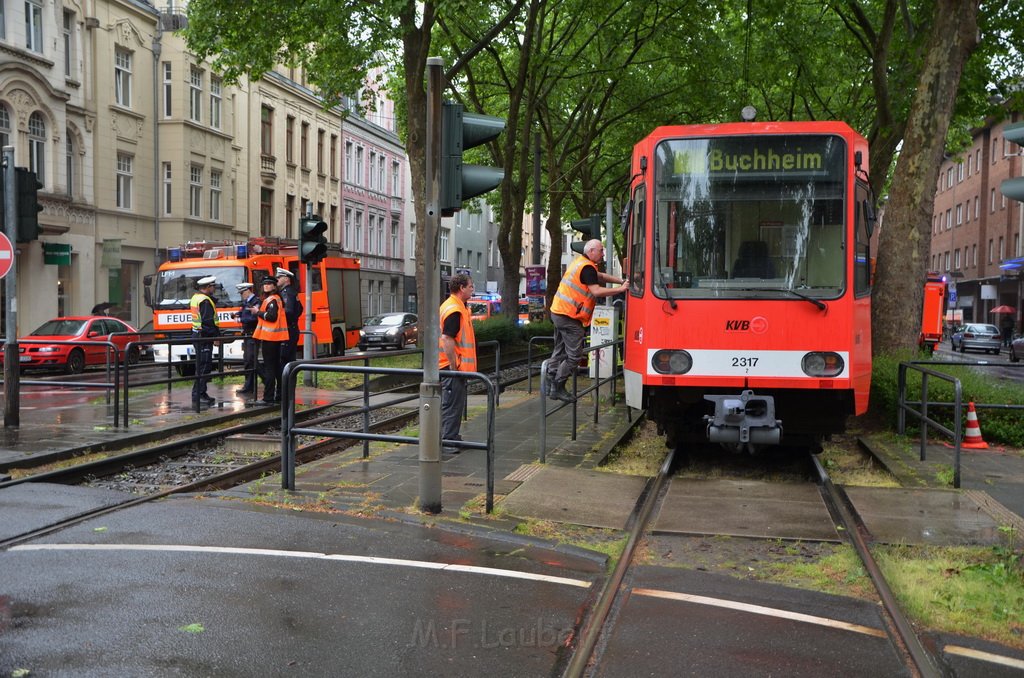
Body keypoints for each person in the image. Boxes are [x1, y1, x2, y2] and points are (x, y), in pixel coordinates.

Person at [546, 239, 629, 402]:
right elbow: (597, 291)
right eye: (601, 250)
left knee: (560, 350)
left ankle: (549, 381)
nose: (603, 253)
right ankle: (557, 386)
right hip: (569, 317)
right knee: (575, 355)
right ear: (591, 251)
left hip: (558, 312)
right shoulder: (587, 267)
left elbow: (601, 276)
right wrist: (621, 289)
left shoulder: (581, 263)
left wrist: (620, 280)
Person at [439, 273, 477, 454]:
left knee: (454, 403)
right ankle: (447, 440)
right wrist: (454, 365)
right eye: (470, 286)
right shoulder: (455, 309)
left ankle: (451, 436)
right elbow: (447, 338)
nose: (472, 289)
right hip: (452, 367)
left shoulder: (457, 306)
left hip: (454, 366)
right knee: (452, 404)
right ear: (461, 288)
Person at [253, 276, 287, 404]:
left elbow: (271, 317)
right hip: (275, 338)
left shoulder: (272, 300)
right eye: (264, 283)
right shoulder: (276, 298)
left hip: (270, 338)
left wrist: (258, 312)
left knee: (270, 368)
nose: (266, 285)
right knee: (276, 367)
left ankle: (268, 397)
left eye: (269, 283)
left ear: (274, 286)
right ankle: (279, 395)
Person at [190, 276, 221, 406]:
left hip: (197, 334)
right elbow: (208, 322)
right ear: (207, 287)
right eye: (212, 286)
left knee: (201, 366)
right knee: (204, 366)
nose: (214, 288)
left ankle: (201, 393)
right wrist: (215, 337)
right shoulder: (205, 301)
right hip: (204, 337)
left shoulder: (196, 297)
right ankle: (198, 394)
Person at [234, 282, 260, 394]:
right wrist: (236, 314)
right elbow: (242, 312)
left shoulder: (256, 302)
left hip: (253, 334)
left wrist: (241, 320)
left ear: (248, 290)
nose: (241, 295)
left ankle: (265, 379)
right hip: (247, 334)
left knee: (251, 360)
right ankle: (249, 386)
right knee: (248, 361)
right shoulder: (247, 302)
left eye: (242, 293)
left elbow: (254, 318)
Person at [275, 267, 302, 367]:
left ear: (286, 279)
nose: (277, 279)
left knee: (284, 360)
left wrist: (277, 317)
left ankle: (285, 382)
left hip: (288, 330)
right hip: (292, 328)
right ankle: (289, 382)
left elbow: (288, 311)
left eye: (279, 277)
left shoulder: (286, 293)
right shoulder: (291, 291)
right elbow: (300, 309)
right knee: (290, 359)